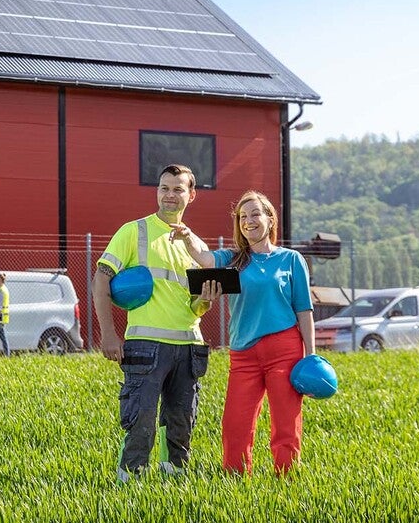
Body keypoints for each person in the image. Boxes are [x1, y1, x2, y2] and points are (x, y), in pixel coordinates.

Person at [93, 164, 221, 482]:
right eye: (164, 188)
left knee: (181, 422)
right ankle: (130, 482)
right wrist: (108, 334)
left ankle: (173, 481)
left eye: (177, 189)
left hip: (189, 346)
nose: (169, 195)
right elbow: (101, 279)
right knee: (141, 419)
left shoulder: (198, 248)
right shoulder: (133, 231)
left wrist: (206, 298)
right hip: (145, 345)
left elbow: (196, 306)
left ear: (191, 195)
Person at [173, 190, 314, 476]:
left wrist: (310, 356)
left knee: (286, 422)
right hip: (243, 354)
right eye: (242, 217)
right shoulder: (233, 258)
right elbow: (205, 259)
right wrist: (188, 237)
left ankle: (285, 477)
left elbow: (304, 309)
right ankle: (235, 478)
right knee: (235, 423)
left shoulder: (291, 260)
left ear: (270, 219)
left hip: (284, 349)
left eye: (255, 214)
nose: (248, 221)